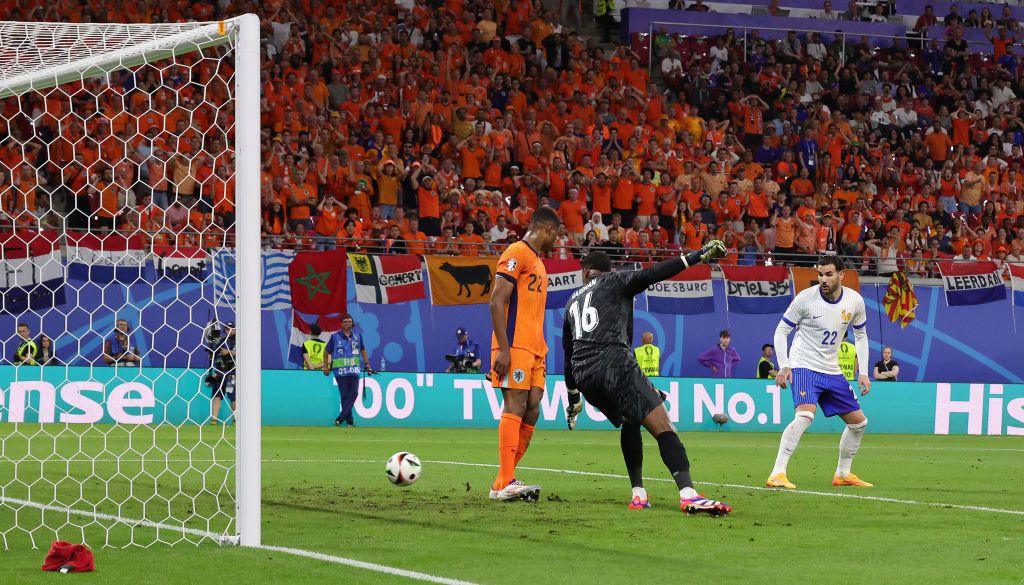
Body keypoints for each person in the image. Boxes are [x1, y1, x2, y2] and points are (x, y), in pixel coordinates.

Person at [563, 244, 733, 515]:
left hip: (586, 377)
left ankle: (638, 493)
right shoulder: (614, 280)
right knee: (664, 426)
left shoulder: (572, 303)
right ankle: (688, 494)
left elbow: (568, 355)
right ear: (609, 271)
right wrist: (696, 257)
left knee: (631, 420)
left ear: (585, 273)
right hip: (613, 362)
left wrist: (573, 399)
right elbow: (653, 274)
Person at [767, 255, 873, 490]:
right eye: (820, 274)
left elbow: (862, 336)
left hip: (831, 369)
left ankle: (843, 473)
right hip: (804, 364)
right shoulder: (805, 298)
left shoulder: (855, 301)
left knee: (859, 423)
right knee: (805, 416)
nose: (823, 279)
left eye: (828, 274)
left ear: (841, 275)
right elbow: (781, 331)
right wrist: (784, 365)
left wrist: (863, 373)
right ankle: (777, 473)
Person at [487, 206, 560, 502]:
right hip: (514, 345)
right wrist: (503, 349)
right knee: (515, 405)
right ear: (548, 230)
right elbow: (496, 302)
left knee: (532, 406)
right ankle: (507, 482)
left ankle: (502, 481)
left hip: (534, 347)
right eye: (558, 236)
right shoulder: (517, 251)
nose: (558, 242)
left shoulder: (539, 263)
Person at [323, 314, 375, 427]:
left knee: (354, 393)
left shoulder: (357, 335)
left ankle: (341, 418)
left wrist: (367, 364)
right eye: (345, 322)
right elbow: (326, 351)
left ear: (352, 323)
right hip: (340, 372)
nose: (347, 324)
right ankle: (350, 420)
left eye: (349, 321)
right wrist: (325, 366)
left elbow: (362, 349)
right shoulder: (335, 337)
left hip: (354, 370)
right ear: (341, 324)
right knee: (345, 396)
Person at [206, 323, 237, 425]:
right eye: (226, 329)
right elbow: (212, 349)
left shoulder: (240, 340)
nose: (228, 331)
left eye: (230, 329)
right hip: (219, 373)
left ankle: (236, 419)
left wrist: (229, 352)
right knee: (217, 395)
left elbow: (243, 352)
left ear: (235, 330)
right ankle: (214, 419)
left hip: (232, 374)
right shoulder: (221, 340)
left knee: (233, 396)